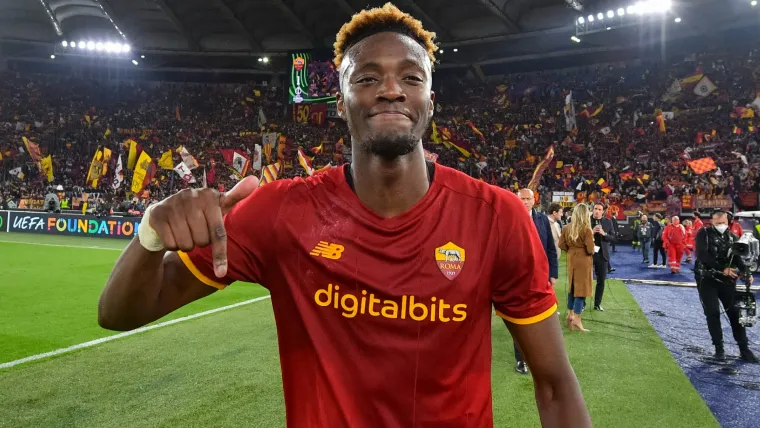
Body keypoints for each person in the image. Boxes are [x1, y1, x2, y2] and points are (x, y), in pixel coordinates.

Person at [97, 4, 591, 427]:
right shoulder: (281, 211)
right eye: (368, 77)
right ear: (340, 103)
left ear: (430, 103)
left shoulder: (496, 216)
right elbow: (119, 313)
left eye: (411, 77)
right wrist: (151, 233)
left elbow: (553, 385)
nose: (391, 89)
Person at [695, 211, 758, 363]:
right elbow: (703, 255)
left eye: (722, 222)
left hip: (727, 281)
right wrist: (721, 268)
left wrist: (745, 273)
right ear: (712, 221)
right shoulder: (703, 233)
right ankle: (719, 350)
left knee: (735, 315)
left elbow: (738, 258)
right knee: (713, 313)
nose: (720, 225)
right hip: (707, 280)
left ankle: (744, 349)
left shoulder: (734, 238)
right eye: (716, 223)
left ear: (727, 222)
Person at [512, 189, 559, 375]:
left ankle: (538, 357)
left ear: (534, 200)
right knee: (519, 318)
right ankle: (520, 359)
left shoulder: (542, 220)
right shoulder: (510, 217)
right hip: (517, 277)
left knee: (541, 317)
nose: (525, 202)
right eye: (522, 198)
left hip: (540, 276)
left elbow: (550, 249)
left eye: (528, 198)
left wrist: (552, 273)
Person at [558, 204, 595, 333]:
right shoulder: (586, 229)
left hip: (571, 259)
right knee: (582, 290)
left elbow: (561, 244)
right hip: (583, 260)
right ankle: (577, 318)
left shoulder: (567, 227)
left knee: (572, 288)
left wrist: (571, 250)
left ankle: (570, 314)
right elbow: (590, 249)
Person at [590, 202, 616, 311]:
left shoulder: (608, 222)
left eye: (599, 209)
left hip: (602, 255)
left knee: (601, 280)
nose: (597, 211)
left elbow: (613, 238)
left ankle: (597, 304)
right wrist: (591, 232)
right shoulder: (587, 220)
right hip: (588, 253)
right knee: (584, 280)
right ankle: (580, 304)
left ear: (603, 211)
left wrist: (604, 234)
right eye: (595, 208)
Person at [547, 203, 564, 268]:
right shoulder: (545, 223)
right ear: (554, 213)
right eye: (560, 212)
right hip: (548, 258)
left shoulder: (557, 224)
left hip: (556, 257)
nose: (562, 214)